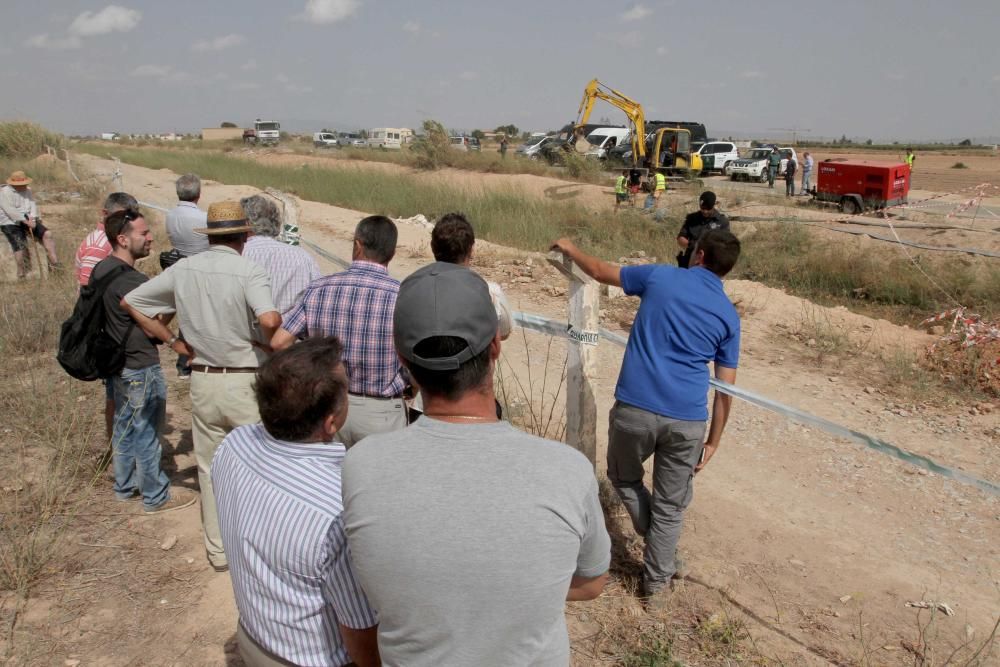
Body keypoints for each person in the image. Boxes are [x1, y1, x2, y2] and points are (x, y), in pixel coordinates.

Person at [341, 262, 610, 665]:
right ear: (496, 348)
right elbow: (591, 583)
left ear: (403, 360)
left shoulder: (361, 465)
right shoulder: (566, 470)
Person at [551, 230, 741, 600]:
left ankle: (660, 551)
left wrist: (573, 248)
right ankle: (656, 587)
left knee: (623, 478)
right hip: (687, 420)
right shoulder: (729, 316)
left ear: (698, 255)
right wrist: (714, 441)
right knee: (670, 508)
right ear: (726, 270)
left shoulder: (661, 276)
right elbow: (726, 391)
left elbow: (602, 271)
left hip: (635, 408)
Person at [122, 201, 280, 572]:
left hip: (204, 379)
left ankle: (218, 549)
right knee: (258, 466)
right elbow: (270, 317)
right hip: (246, 381)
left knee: (209, 468)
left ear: (210, 236)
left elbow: (132, 301)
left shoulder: (184, 269)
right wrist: (266, 340)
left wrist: (174, 342)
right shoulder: (249, 270)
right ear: (245, 235)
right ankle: (258, 545)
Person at [212, 337, 379, 667]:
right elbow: (359, 630)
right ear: (331, 421)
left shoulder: (233, 445)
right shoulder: (339, 510)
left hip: (254, 637)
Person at [93, 208, 197, 513]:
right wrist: (176, 338)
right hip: (139, 364)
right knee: (148, 430)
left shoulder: (102, 269)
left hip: (115, 363)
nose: (150, 237)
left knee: (124, 428)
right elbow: (152, 323)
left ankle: (125, 486)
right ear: (123, 239)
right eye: (143, 233)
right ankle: (155, 495)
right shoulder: (132, 281)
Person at [271, 216, 407, 448]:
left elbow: (278, 342)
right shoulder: (402, 297)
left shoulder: (319, 288)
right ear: (392, 253)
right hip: (381, 412)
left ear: (357, 245)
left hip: (327, 406)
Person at [74, 191, 141, 447]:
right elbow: (88, 294)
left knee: (116, 394)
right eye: (122, 216)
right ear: (105, 215)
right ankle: (119, 447)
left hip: (112, 331)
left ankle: (120, 447)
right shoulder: (99, 244)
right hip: (107, 335)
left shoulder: (108, 243)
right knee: (116, 396)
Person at [430, 212, 512, 341]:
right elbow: (504, 333)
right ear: (471, 249)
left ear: (433, 248)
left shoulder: (415, 289)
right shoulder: (490, 292)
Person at [240, 194, 321, 315]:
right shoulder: (303, 257)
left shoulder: (237, 254)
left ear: (245, 224)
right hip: (289, 331)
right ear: (276, 221)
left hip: (243, 331)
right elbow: (318, 300)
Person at [164, 173, 208, 376]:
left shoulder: (170, 215)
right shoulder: (203, 218)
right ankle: (192, 361)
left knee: (185, 316)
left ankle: (184, 364)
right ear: (198, 194)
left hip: (178, 264)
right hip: (200, 268)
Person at [0, 170, 60, 276]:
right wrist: (25, 221)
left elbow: (32, 204)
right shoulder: (4, 192)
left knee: (47, 234)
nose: (24, 186)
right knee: (19, 244)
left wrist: (32, 218)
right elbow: (10, 211)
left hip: (28, 219)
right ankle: (21, 272)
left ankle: (55, 264)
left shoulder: (28, 190)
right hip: (10, 221)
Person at [677, 191, 730, 268]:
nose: (705, 211)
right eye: (703, 208)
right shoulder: (692, 218)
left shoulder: (722, 221)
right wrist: (692, 245)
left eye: (708, 209)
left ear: (713, 205)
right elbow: (680, 238)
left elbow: (726, 244)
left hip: (711, 263)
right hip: (690, 261)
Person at [165, 173, 209, 257]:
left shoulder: (169, 216)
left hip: (177, 261)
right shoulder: (205, 218)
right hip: (201, 264)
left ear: (178, 193)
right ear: (199, 194)